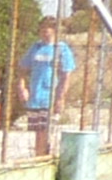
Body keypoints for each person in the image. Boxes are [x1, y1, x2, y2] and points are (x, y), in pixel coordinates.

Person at [21, 19, 73, 156]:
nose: (45, 32)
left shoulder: (61, 49)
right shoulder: (36, 47)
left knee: (48, 130)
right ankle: (39, 155)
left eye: (48, 29)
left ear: (54, 31)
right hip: (35, 96)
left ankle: (47, 156)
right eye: (42, 29)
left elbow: (66, 75)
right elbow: (23, 68)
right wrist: (22, 87)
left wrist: (60, 98)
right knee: (38, 131)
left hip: (50, 95)